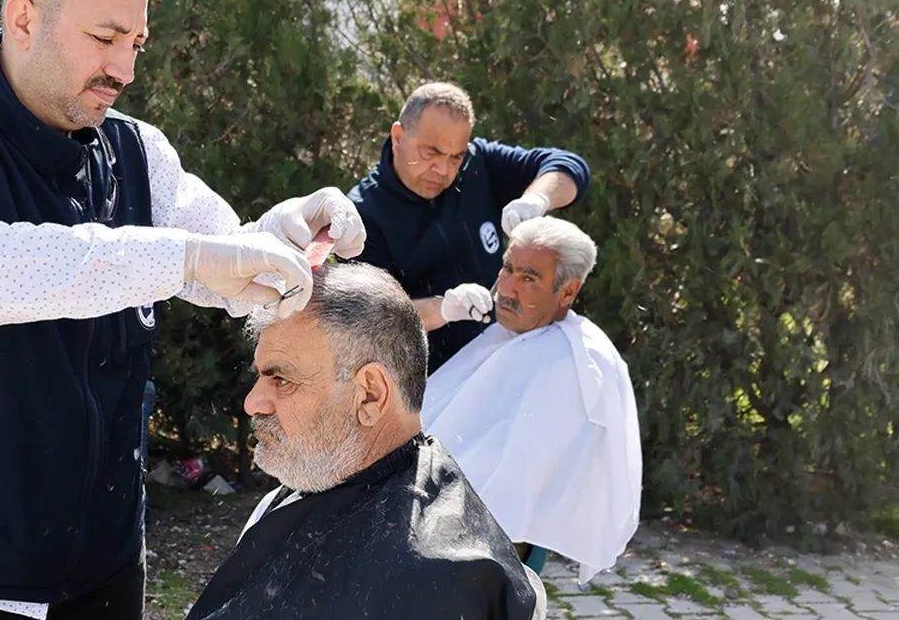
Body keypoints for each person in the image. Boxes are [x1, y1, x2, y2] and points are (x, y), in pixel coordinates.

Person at [0, 0, 367, 618]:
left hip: (98, 565)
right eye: (105, 38)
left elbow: (221, 258)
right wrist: (187, 258)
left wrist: (286, 232)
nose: (126, 70)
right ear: (24, 19)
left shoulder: (140, 152)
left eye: (134, 44)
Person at [186, 262, 546, 620]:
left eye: (281, 379)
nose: (252, 403)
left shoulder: (438, 579)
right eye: (260, 377)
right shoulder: (291, 495)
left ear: (369, 395)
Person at [420, 216, 643, 584]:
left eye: (528, 279)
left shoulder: (572, 363)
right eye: (507, 268)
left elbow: (515, 481)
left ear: (568, 292)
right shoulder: (511, 334)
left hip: (488, 549)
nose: (505, 288)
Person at [349, 82, 591, 374]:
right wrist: (445, 308)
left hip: (504, 359)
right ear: (398, 137)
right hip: (429, 388)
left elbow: (569, 166)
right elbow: (368, 318)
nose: (443, 170)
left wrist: (536, 199)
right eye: (431, 153)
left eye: (455, 157)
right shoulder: (362, 217)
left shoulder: (478, 165)